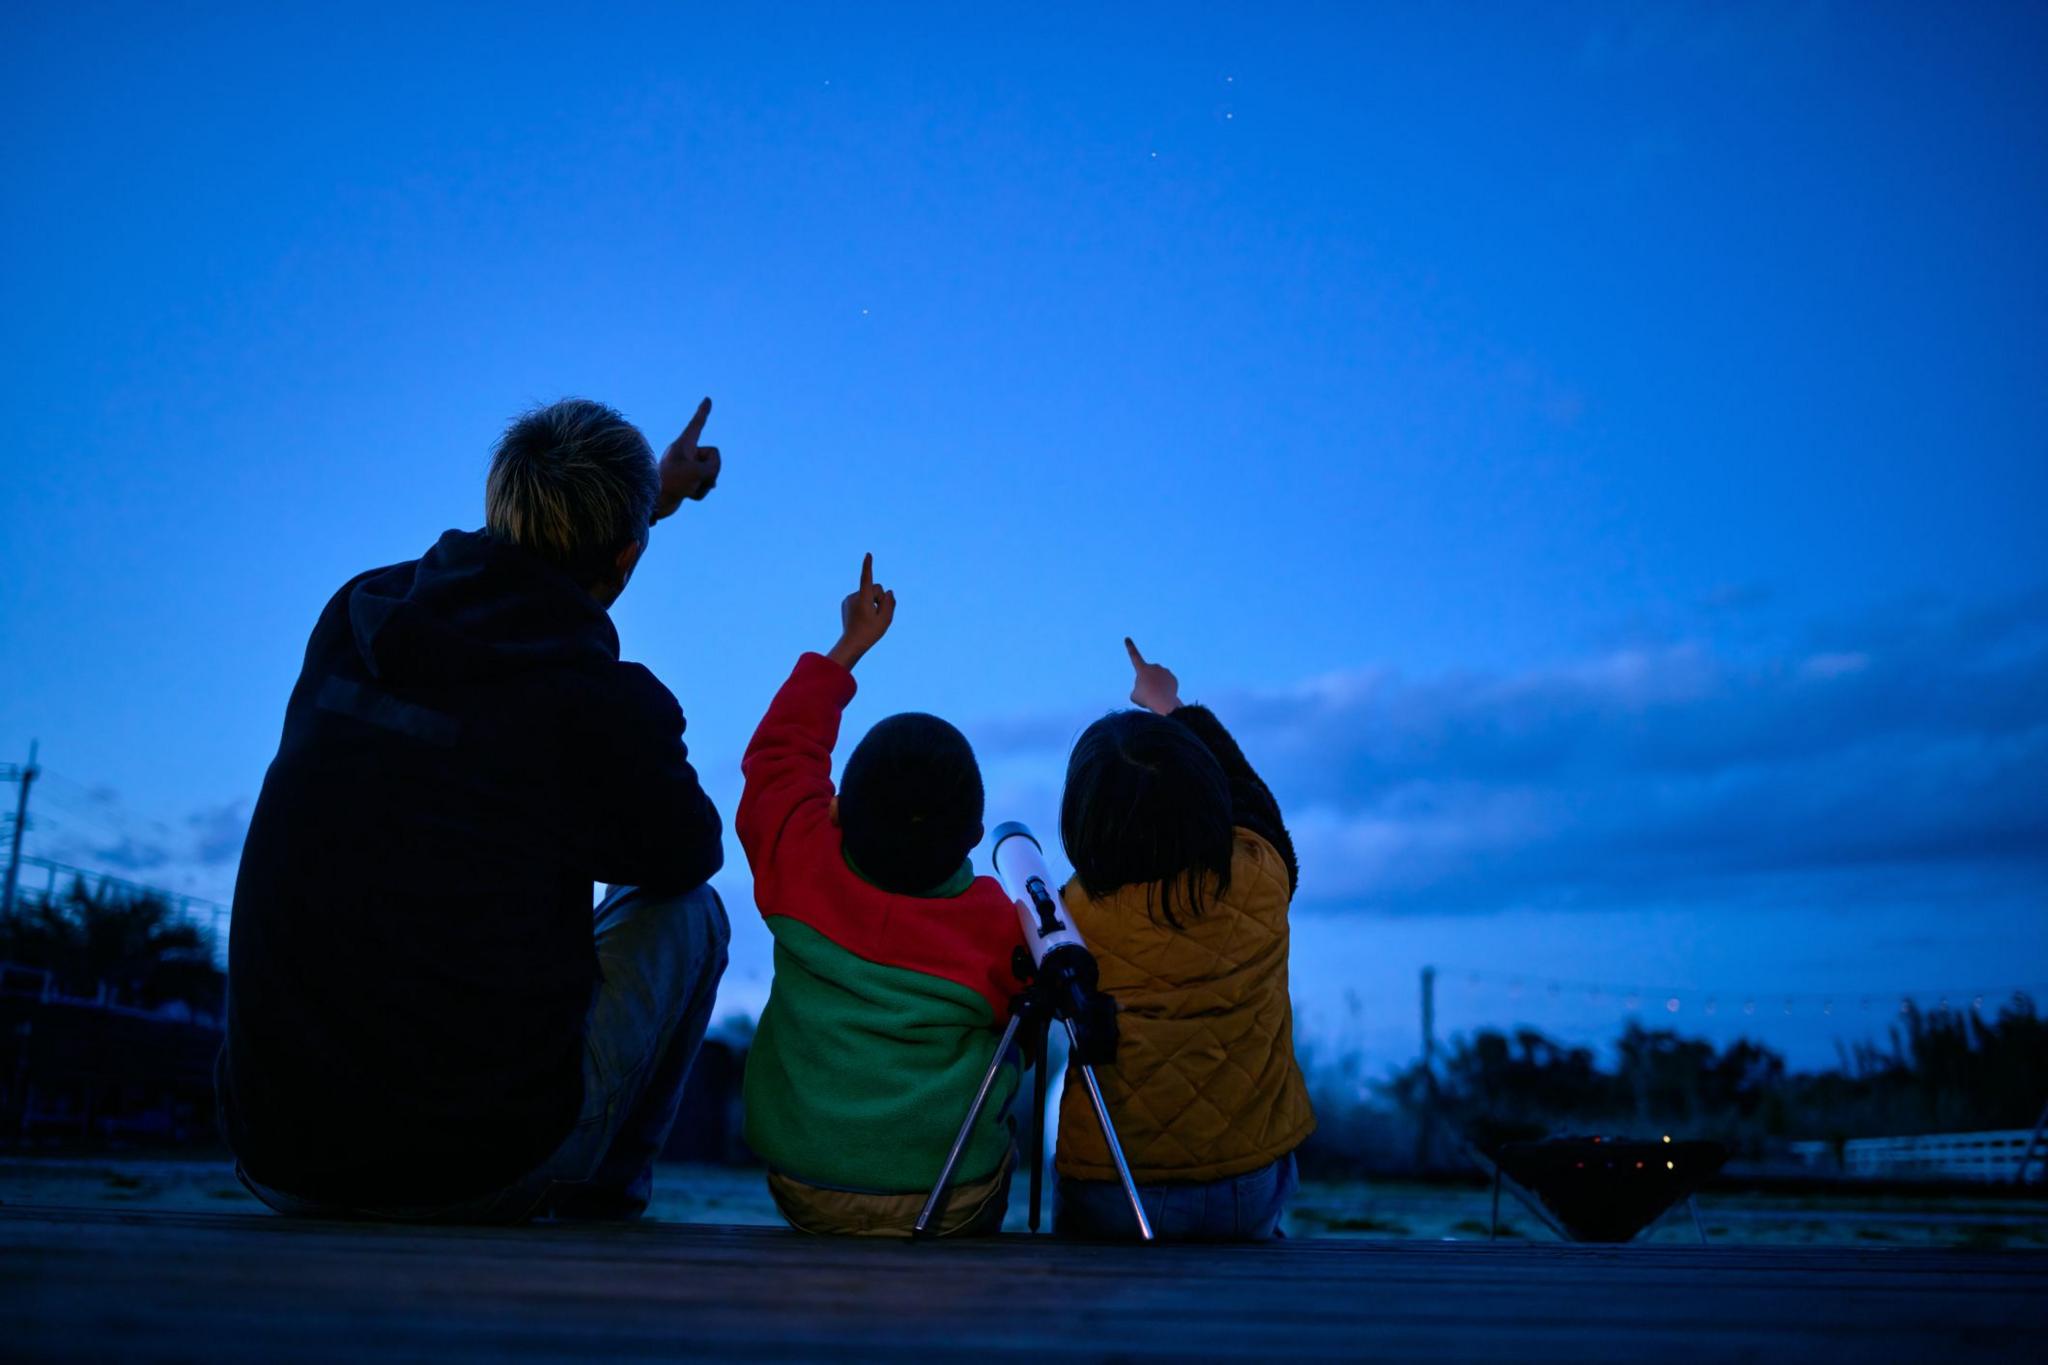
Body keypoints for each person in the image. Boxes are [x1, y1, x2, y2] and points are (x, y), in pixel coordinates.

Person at [219, 396, 732, 1222]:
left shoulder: (359, 617)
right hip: (474, 1169)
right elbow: (688, 851)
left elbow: (522, 565)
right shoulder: (599, 706)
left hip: (277, 1153)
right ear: (627, 558)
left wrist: (651, 502)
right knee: (693, 913)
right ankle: (597, 1197)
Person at [736, 555, 1025, 1237]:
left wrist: (849, 648)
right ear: (975, 836)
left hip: (806, 1185)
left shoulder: (796, 859)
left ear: (836, 809)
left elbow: (779, 756)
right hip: (951, 1198)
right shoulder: (995, 923)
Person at [1051, 638, 1315, 1240]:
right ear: (1209, 800)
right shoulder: (1262, 875)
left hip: (1111, 1186)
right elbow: (1251, 794)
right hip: (1245, 1186)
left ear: (1084, 819)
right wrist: (1171, 707)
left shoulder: (1072, 917)